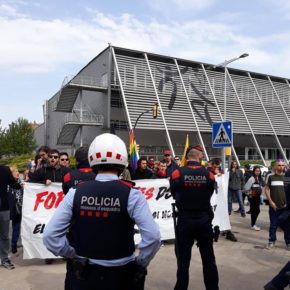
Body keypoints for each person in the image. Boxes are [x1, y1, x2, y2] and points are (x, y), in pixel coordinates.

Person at [43, 133, 161, 290]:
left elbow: (50, 235)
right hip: (122, 275)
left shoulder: (75, 192)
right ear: (123, 161)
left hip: (83, 275)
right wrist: (141, 262)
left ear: (92, 159)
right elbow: (153, 237)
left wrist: (71, 253)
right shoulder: (132, 194)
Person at [170, 145, 219, 290]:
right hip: (204, 219)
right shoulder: (209, 174)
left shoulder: (177, 173)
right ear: (200, 156)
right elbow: (210, 192)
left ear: (187, 157)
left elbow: (174, 192)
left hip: (185, 219)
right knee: (208, 259)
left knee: (183, 261)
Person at [265, 160, 290, 249]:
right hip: (274, 207)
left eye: (283, 165)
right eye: (279, 165)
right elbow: (267, 189)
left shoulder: (287, 178)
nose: (281, 167)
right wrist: (271, 202)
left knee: (287, 226)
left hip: (285, 208)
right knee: (273, 225)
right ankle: (271, 241)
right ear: (275, 166)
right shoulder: (271, 177)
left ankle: (288, 242)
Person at [0, 164, 21, 270]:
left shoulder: (4, 169)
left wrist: (21, 185)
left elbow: (12, 183)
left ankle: (4, 259)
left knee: (4, 236)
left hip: (4, 208)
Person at [244, 166, 265, 231]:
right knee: (254, 211)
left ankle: (253, 224)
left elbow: (263, 185)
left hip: (257, 197)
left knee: (257, 211)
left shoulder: (259, 178)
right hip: (252, 197)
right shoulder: (252, 179)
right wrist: (250, 195)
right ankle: (253, 225)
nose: (258, 172)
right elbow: (246, 188)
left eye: (259, 171)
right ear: (254, 171)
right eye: (256, 171)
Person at [8, 166, 24, 254]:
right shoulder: (7, 184)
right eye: (15, 171)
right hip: (9, 208)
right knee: (5, 229)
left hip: (19, 208)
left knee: (16, 228)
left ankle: (14, 245)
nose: (18, 173)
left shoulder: (21, 182)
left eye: (18, 171)